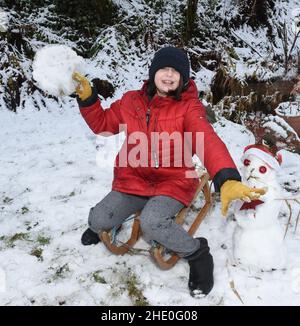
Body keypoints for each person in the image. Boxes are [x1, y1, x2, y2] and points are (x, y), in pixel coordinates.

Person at [73, 46, 265, 297]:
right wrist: (88, 99)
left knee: (152, 223)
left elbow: (206, 139)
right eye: (163, 68)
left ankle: (198, 253)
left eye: (175, 71)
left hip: (172, 181)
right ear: (153, 72)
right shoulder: (131, 100)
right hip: (133, 178)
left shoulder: (189, 108)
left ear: (184, 78)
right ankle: (104, 222)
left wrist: (226, 176)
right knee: (97, 220)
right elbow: (103, 124)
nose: (168, 75)